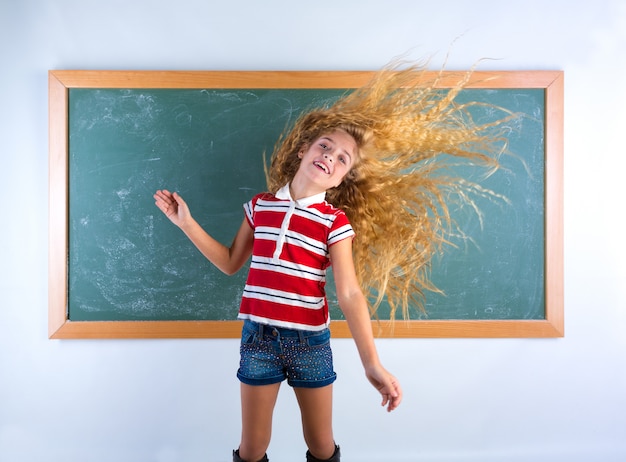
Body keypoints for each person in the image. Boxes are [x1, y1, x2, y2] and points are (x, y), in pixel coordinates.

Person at [154, 61, 512, 462]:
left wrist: (372, 364)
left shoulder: (333, 222)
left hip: (309, 342)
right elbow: (230, 262)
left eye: (343, 158)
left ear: (342, 179)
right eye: (326, 145)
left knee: (320, 445)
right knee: (252, 448)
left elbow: (350, 293)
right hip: (258, 338)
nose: (330, 156)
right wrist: (186, 223)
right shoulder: (260, 206)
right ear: (304, 149)